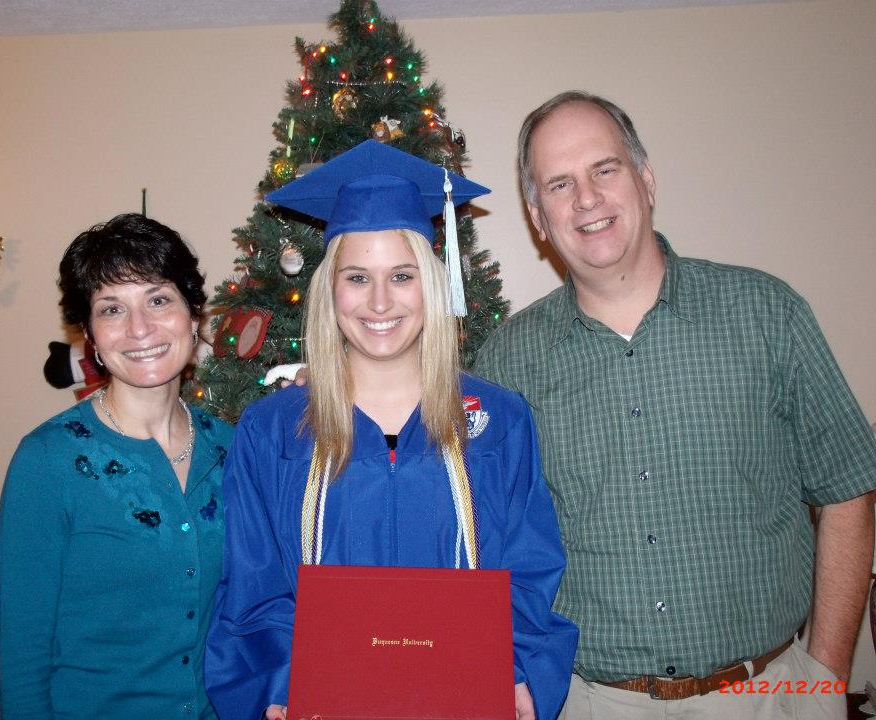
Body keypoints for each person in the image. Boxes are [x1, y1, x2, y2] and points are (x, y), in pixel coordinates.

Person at [474, 91, 876, 719]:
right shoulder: (505, 364)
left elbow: (849, 486)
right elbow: (481, 541)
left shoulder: (766, 314)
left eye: (605, 169)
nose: (586, 198)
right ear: (537, 216)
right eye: (560, 184)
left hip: (768, 696)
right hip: (585, 702)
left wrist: (824, 679)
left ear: (646, 179)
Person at [204, 141, 578, 720]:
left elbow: (530, 572)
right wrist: (278, 688)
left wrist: (520, 672)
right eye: (357, 277)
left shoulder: (499, 422)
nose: (380, 301)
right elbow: (253, 592)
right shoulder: (273, 433)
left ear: (431, 283)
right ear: (330, 290)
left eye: (401, 275)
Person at [0, 213, 234, 719]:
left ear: (194, 315)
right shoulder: (48, 462)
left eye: (158, 299)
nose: (139, 329)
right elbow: (23, 663)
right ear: (91, 337)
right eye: (111, 309)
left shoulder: (229, 448)